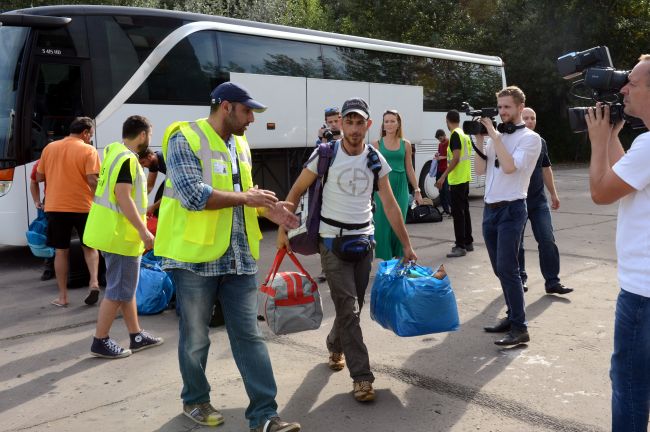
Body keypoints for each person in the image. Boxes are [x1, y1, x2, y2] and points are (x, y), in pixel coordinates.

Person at [154, 82, 301, 431]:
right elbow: (192, 195)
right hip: (194, 260)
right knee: (195, 337)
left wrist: (272, 211)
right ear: (226, 107)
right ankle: (195, 400)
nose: (252, 118)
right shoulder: (183, 137)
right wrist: (245, 199)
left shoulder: (241, 145)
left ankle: (265, 416)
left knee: (249, 336)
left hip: (238, 257)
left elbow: (243, 198)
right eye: (247, 110)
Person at [278, 97, 418, 403]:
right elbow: (297, 189)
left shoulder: (375, 159)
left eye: (360, 123)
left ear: (369, 125)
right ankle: (362, 378)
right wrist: (282, 228)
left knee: (351, 309)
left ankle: (334, 344)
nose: (354, 129)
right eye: (349, 122)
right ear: (340, 123)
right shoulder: (325, 154)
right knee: (350, 310)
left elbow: (391, 205)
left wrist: (406, 244)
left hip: (363, 243)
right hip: (331, 241)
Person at [585, 54, 650, 432]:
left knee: (628, 384)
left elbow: (601, 191)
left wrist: (597, 141)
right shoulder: (643, 149)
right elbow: (626, 177)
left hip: (643, 293)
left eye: (634, 83)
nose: (623, 88)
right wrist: (611, 136)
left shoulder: (649, 145)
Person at [83, 115, 163, 359]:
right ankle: (100, 340)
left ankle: (136, 335)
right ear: (142, 135)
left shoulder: (115, 152)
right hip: (121, 235)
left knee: (126, 288)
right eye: (149, 135)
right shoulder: (128, 160)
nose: (150, 139)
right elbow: (123, 197)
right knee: (118, 290)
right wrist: (144, 230)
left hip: (112, 232)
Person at [475, 86, 541, 346]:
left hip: (512, 209)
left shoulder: (530, 139)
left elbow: (511, 167)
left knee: (508, 268)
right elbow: (480, 171)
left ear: (520, 109)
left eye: (506, 107)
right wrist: (481, 140)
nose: (502, 112)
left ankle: (520, 327)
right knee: (499, 269)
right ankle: (512, 316)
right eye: (499, 107)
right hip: (490, 209)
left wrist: (494, 136)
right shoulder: (494, 138)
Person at [35, 117, 101, 307]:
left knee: (61, 252)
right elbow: (92, 181)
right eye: (91, 136)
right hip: (83, 206)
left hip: (56, 207)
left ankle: (63, 297)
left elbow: (39, 176)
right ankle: (94, 283)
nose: (90, 140)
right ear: (85, 133)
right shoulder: (88, 150)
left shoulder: (50, 148)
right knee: (90, 247)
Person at [518, 108, 573, 295]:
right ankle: (520, 279)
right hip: (517, 201)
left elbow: (546, 169)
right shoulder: (511, 141)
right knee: (517, 243)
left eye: (533, 117)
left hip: (539, 202)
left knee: (547, 240)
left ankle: (552, 282)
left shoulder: (540, 142)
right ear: (519, 118)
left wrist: (554, 194)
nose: (530, 120)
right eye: (526, 118)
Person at [372, 109, 422, 260]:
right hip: (382, 188)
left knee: (399, 223)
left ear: (398, 123)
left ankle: (400, 258)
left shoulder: (405, 144)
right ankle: (386, 261)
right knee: (382, 225)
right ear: (383, 124)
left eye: (392, 121)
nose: (389, 124)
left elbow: (409, 168)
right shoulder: (376, 144)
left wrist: (417, 190)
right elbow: (372, 171)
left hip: (400, 186)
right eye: (386, 121)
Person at [436, 110, 474, 257]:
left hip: (458, 179)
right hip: (464, 177)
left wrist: (443, 176)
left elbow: (456, 158)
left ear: (447, 120)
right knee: (465, 210)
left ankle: (460, 246)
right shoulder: (464, 135)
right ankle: (468, 242)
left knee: (458, 213)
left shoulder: (455, 135)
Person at [314, 107, 344, 281]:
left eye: (335, 121)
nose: (333, 125)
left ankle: (342, 267)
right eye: (329, 122)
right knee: (325, 232)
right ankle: (326, 269)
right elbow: (315, 160)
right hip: (327, 190)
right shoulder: (324, 139)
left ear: (340, 120)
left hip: (344, 191)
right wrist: (320, 139)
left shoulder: (347, 138)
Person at [29, 159, 55, 281]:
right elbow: (33, 181)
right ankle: (49, 268)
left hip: (70, 200)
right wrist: (37, 201)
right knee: (50, 235)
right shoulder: (42, 161)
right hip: (51, 201)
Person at [138, 148, 167, 215]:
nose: (143, 166)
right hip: (173, 177)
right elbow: (149, 186)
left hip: (186, 177)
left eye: (143, 162)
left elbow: (171, 194)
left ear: (149, 156)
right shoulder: (153, 162)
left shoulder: (165, 159)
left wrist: (153, 207)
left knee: (160, 203)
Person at [434, 129, 451, 216]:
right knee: (440, 190)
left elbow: (450, 156)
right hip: (439, 169)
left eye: (440, 138)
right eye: (438, 139)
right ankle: (446, 210)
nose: (440, 140)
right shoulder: (440, 144)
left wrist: (442, 157)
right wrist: (437, 155)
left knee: (446, 190)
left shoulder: (449, 142)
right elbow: (440, 153)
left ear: (444, 135)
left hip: (446, 169)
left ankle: (452, 211)